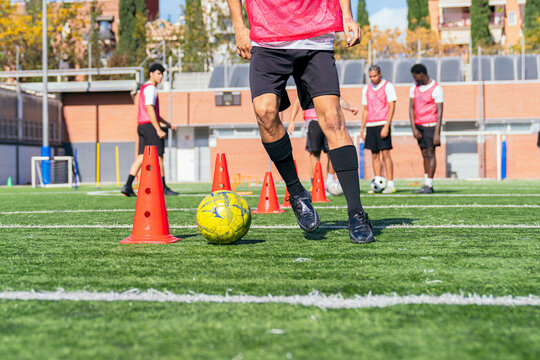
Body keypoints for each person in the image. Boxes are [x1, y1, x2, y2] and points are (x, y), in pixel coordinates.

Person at [227, 0, 374, 244]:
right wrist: (239, 26)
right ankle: (296, 192)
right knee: (264, 113)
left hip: (315, 37)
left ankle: (356, 214)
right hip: (267, 36)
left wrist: (347, 16)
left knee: (334, 120)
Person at [121, 63, 179, 197]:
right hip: (149, 126)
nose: (161, 76)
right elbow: (150, 109)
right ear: (151, 74)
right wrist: (158, 129)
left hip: (141, 125)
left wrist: (167, 124)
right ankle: (163, 187)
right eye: (158, 73)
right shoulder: (151, 89)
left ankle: (128, 185)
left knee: (141, 156)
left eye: (162, 74)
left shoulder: (144, 88)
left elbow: (153, 112)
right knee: (159, 156)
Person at [287, 98, 358, 192]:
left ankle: (329, 181)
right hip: (313, 120)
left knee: (333, 151)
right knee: (314, 153)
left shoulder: (328, 84)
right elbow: (297, 102)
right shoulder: (306, 84)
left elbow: (338, 99)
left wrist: (350, 108)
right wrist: (292, 121)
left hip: (330, 120)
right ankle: (315, 183)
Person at [360, 65, 397, 194]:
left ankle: (391, 184)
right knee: (374, 155)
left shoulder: (388, 86)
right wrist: (362, 128)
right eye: (370, 76)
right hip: (371, 125)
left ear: (380, 74)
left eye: (374, 76)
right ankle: (378, 182)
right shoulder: (366, 89)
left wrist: (387, 125)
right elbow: (365, 109)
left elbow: (392, 106)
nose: (372, 78)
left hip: (382, 124)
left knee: (386, 154)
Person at [409, 63, 444, 194]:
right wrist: (413, 128)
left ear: (421, 74)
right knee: (424, 154)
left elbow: (440, 112)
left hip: (431, 126)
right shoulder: (414, 88)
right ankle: (425, 183)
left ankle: (429, 184)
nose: (414, 79)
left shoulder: (436, 89)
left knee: (431, 153)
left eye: (415, 76)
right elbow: (411, 108)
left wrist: (437, 133)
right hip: (419, 126)